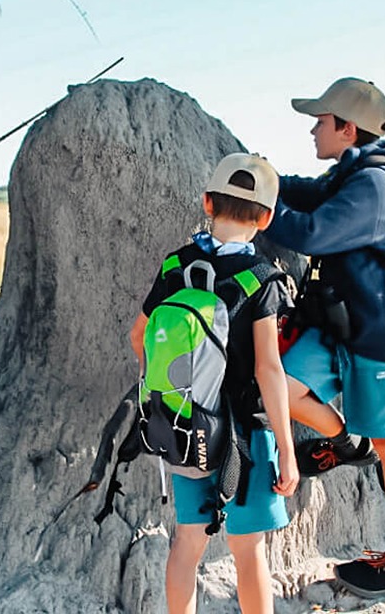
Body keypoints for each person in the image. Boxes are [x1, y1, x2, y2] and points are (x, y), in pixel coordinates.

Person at [264, 77, 385, 599]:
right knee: (279, 384)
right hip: (338, 326)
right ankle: (345, 441)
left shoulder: (376, 188)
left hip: (378, 335)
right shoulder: (350, 174)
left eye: (320, 120)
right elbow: (310, 193)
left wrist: (259, 212)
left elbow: (311, 233)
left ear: (346, 127)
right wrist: (266, 180)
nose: (314, 129)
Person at [129, 153, 299, 614]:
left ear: (207, 202)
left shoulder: (174, 267)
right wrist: (286, 446)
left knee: (187, 544)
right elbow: (269, 370)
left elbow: (138, 336)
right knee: (249, 552)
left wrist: (177, 390)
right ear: (265, 218)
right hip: (246, 435)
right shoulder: (263, 279)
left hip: (186, 429)